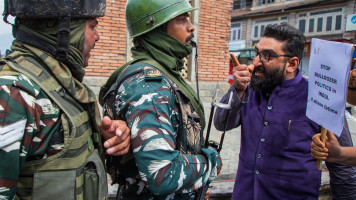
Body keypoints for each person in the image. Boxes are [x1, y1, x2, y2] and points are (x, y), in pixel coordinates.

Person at [0, 0, 130, 199]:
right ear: (65, 31)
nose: (98, 37)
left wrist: (100, 137)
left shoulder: (60, 82)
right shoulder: (13, 92)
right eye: (92, 27)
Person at [214, 23, 356, 199]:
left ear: (292, 63)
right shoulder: (251, 89)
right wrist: (237, 89)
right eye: (257, 53)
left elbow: (342, 167)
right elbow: (221, 123)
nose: (257, 62)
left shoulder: (321, 98)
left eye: (267, 56)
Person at [99, 0, 221, 199]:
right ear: (156, 28)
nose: (191, 27)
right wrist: (213, 162)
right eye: (181, 20)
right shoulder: (149, 85)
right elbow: (162, 174)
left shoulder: (166, 75)